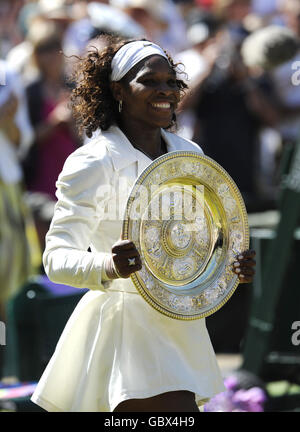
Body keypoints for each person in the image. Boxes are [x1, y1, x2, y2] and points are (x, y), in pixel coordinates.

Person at [31, 36, 256, 412]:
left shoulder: (190, 154)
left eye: (171, 82)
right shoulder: (93, 162)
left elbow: (196, 244)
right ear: (118, 90)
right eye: (149, 81)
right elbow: (55, 257)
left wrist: (229, 266)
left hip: (181, 329)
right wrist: (108, 265)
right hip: (125, 331)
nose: (164, 91)